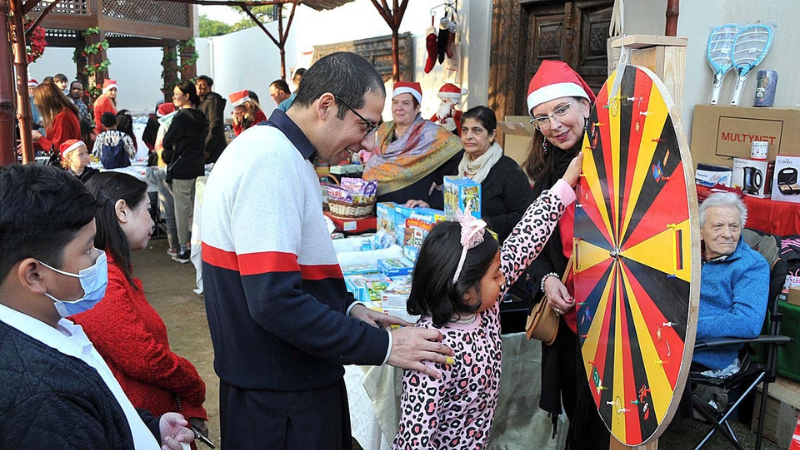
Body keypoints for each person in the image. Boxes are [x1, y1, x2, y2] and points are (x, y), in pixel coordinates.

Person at [201, 51, 454, 450]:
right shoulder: (271, 161)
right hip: (281, 399)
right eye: (364, 125)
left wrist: (348, 308)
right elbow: (273, 301)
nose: (367, 142)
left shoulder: (285, 154)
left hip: (287, 382)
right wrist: (385, 347)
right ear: (326, 106)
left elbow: (294, 271)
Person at [0, 164, 195, 450]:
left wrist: (148, 429)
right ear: (34, 275)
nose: (99, 257)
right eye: (88, 249)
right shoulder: (42, 399)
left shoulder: (53, 322)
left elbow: (100, 411)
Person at [394, 153, 582, 449]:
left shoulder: (485, 307)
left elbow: (524, 240)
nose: (504, 279)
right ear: (466, 290)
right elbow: (414, 439)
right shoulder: (431, 350)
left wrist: (564, 186)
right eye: (496, 276)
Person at [72, 172, 210, 445]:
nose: (152, 220)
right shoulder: (104, 279)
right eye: (148, 209)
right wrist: (194, 383)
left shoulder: (114, 273)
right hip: (139, 425)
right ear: (122, 211)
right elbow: (144, 357)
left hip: (147, 420)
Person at [523, 60, 609, 449]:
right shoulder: (545, 173)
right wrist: (547, 279)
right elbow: (533, 244)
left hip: (615, 320)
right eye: (542, 117)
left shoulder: (618, 164)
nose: (554, 124)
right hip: (571, 318)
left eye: (561, 110)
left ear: (586, 106)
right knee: (580, 412)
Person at [408, 106, 531, 244]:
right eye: (465, 130)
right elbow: (453, 210)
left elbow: (523, 217)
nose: (469, 136)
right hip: (458, 245)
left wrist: (483, 223)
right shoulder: (460, 166)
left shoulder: (509, 170)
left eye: (477, 130)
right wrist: (427, 209)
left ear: (492, 135)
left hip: (494, 250)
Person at [695, 192, 769, 370]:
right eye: (718, 226)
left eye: (734, 226)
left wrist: (688, 327)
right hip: (665, 344)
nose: (727, 234)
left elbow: (748, 322)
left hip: (705, 355)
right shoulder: (687, 255)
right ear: (700, 232)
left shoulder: (752, 266)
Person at [363, 81, 463, 209]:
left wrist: (439, 180)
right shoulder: (384, 129)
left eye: (405, 103)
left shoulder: (431, 133)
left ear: (417, 108)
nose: (399, 107)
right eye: (395, 102)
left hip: (414, 208)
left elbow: (459, 149)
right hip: (382, 208)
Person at [162, 80, 208, 264]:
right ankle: (198, 245)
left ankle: (184, 248)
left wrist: (175, 143)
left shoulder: (181, 117)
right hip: (198, 166)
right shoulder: (201, 116)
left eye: (176, 94)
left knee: (182, 210)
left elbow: (166, 142)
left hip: (181, 167)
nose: (174, 97)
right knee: (196, 210)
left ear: (186, 96)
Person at [31, 80, 81, 154]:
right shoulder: (62, 113)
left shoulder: (62, 116)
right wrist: (33, 144)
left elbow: (57, 149)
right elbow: (52, 144)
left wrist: (39, 138)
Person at [196, 75, 227, 163]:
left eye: (202, 84)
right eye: (197, 84)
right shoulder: (200, 102)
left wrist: (208, 148)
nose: (199, 87)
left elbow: (215, 125)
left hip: (213, 149)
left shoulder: (213, 101)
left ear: (209, 87)